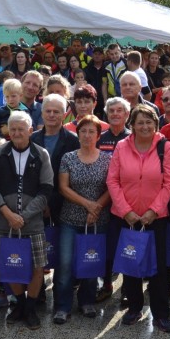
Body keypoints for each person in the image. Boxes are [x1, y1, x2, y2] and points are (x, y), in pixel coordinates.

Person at [106, 104, 170, 331]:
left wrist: (153, 211)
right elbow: (112, 181)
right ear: (132, 125)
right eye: (140, 122)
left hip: (155, 218)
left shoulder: (165, 147)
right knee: (130, 264)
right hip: (124, 217)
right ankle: (134, 308)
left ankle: (161, 313)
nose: (145, 126)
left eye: (149, 121)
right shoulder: (121, 146)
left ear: (155, 124)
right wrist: (126, 210)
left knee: (157, 268)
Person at [0, 111, 54, 329]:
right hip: (4, 222)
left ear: (30, 131)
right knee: (9, 263)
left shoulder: (41, 154)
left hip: (32, 222)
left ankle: (31, 307)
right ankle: (21, 304)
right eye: (12, 129)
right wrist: (7, 212)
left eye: (21, 129)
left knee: (37, 266)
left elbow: (46, 189)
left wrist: (24, 216)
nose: (16, 133)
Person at [55, 115, 112, 323]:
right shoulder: (68, 158)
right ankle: (62, 305)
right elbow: (63, 188)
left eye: (92, 132)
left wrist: (96, 208)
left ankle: (87, 301)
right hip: (70, 219)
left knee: (91, 262)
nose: (87, 135)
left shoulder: (108, 158)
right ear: (77, 134)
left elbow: (111, 187)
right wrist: (88, 205)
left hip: (98, 219)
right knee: (65, 263)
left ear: (98, 135)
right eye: (83, 131)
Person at [31, 93, 80, 224]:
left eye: (56, 111)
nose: (51, 115)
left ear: (64, 115)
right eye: (48, 111)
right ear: (42, 114)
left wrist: (51, 202)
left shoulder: (74, 140)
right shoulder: (31, 140)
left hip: (65, 206)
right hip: (34, 205)